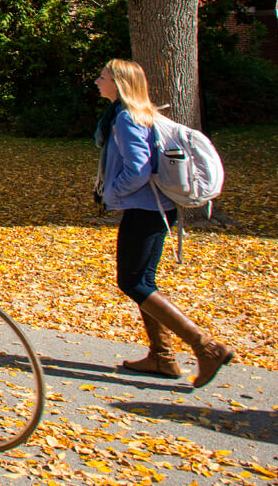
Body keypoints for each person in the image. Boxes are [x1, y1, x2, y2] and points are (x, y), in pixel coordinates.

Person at [95, 58, 234, 388]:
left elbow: (139, 169)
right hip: (156, 208)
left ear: (119, 82)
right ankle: (162, 357)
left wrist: (112, 191)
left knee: (133, 282)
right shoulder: (138, 114)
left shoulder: (126, 118)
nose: (97, 81)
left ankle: (206, 346)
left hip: (146, 210)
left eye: (102, 76)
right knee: (144, 280)